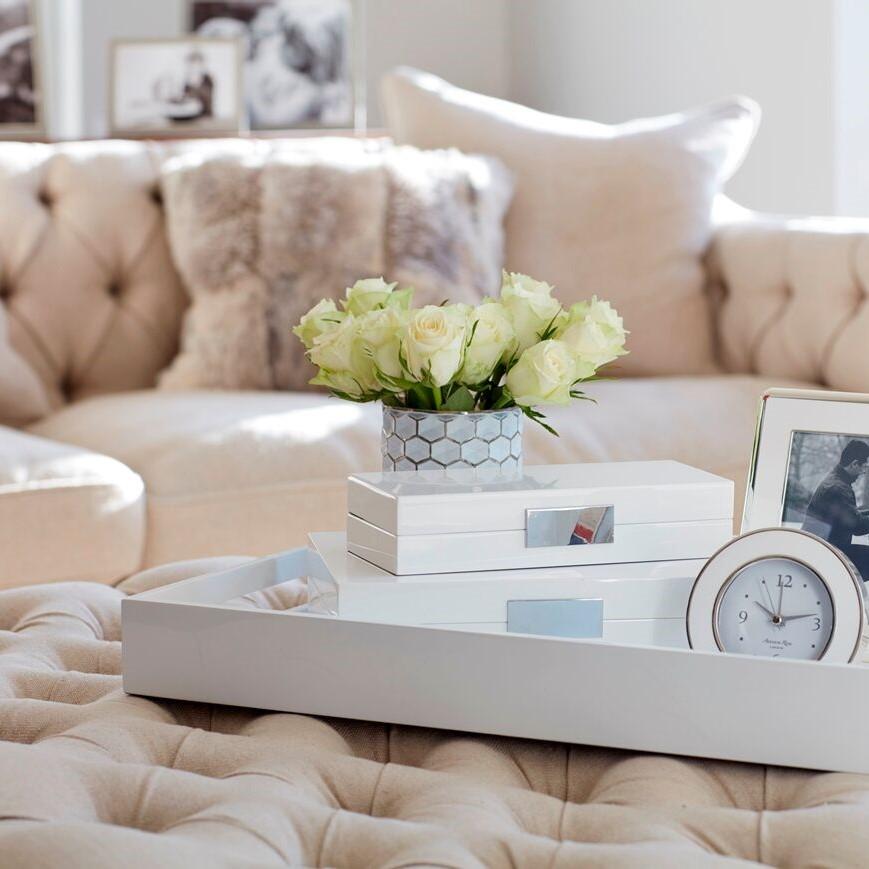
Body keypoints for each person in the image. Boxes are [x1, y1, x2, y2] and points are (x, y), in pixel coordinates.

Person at [802, 439, 869, 580]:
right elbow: (857, 526)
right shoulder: (839, 488)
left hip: (820, 547)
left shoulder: (835, 480)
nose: (864, 472)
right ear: (854, 464)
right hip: (826, 554)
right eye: (864, 467)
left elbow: (850, 514)